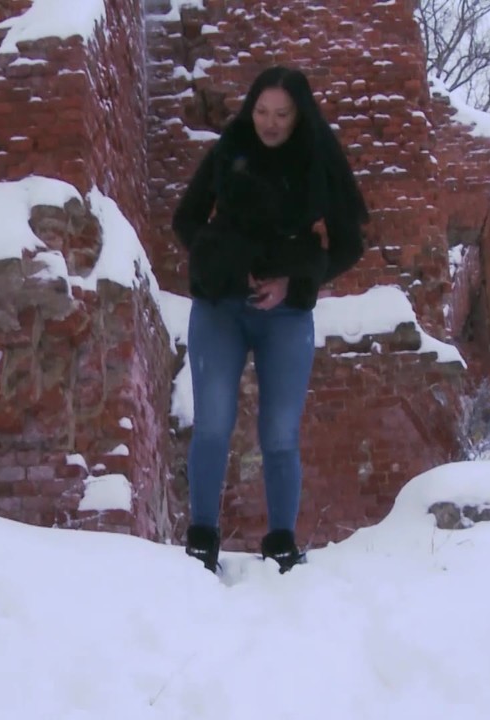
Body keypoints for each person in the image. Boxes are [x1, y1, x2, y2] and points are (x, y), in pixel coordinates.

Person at [171, 65, 369, 574]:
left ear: (299, 114)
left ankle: (282, 543)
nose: (270, 123)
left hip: (286, 315)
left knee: (280, 433)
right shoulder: (230, 149)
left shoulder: (318, 157)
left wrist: (294, 279)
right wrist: (220, 260)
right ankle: (201, 540)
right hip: (220, 307)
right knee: (213, 424)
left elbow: (349, 243)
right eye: (261, 111)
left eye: (282, 114)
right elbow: (186, 219)